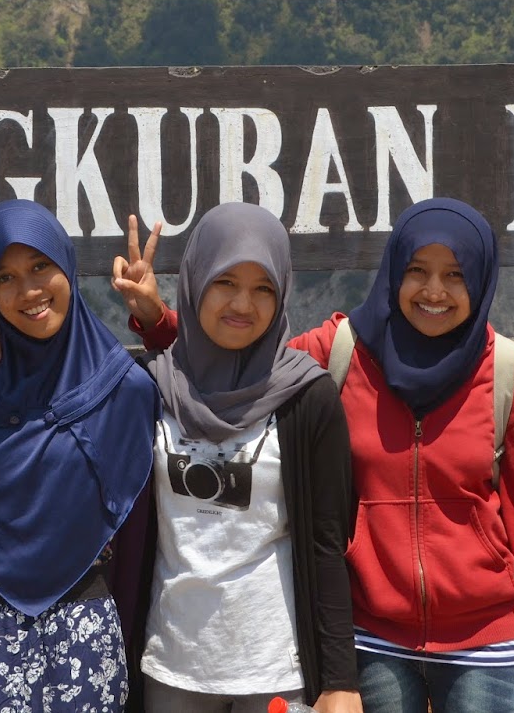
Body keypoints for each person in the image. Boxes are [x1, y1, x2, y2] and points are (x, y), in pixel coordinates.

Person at [108, 199, 514, 713]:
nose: (434, 291)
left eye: (456, 276)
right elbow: (240, 354)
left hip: (486, 644)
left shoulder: (504, 371)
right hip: (373, 639)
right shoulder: (343, 351)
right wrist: (157, 320)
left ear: (481, 281)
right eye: (417, 271)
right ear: (394, 270)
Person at [0, 199, 159, 713]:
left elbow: (212, 396)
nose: (28, 290)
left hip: (84, 628)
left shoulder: (126, 390)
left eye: (39, 267)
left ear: (66, 266)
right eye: (4, 278)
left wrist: (156, 320)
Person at [135, 203, 360, 713]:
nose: (244, 303)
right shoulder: (153, 387)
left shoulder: (307, 396)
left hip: (275, 669)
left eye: (264, 288)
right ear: (195, 283)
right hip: (171, 664)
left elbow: (327, 544)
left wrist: (339, 680)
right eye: (225, 282)